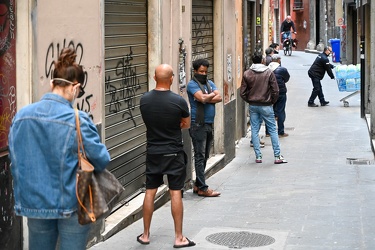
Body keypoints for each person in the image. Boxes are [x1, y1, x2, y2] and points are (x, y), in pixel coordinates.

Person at [8, 48, 110, 250]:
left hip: (34, 202)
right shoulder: (77, 120)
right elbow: (101, 159)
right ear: (76, 87)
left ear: (51, 83)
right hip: (71, 203)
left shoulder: (21, 116)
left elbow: (15, 157)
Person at [138, 64, 195, 248]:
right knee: (175, 191)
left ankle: (145, 235)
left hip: (153, 151)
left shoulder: (144, 100)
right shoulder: (178, 101)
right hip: (173, 152)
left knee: (150, 191)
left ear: (154, 78)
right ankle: (179, 237)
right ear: (171, 79)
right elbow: (186, 125)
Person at [240, 53, 287, 164]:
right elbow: (275, 90)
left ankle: (258, 156)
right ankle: (277, 156)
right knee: (272, 130)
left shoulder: (247, 73)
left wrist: (250, 100)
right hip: (266, 105)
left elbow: (242, 93)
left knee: (254, 130)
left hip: (253, 105)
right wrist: (271, 101)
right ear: (262, 60)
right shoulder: (268, 72)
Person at [187, 58, 222, 197]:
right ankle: (202, 187)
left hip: (208, 124)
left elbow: (219, 98)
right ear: (195, 71)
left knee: (205, 154)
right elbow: (201, 98)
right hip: (197, 124)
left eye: (206, 71)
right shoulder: (192, 85)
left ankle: (197, 184)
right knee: (200, 156)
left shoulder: (210, 83)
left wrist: (208, 96)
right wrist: (210, 95)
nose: (203, 74)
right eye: (201, 71)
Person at [268, 54, 290, 137]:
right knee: (280, 111)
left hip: (270, 92)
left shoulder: (267, 69)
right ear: (278, 60)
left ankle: (268, 132)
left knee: (270, 111)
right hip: (281, 92)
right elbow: (287, 78)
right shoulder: (282, 69)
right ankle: (280, 131)